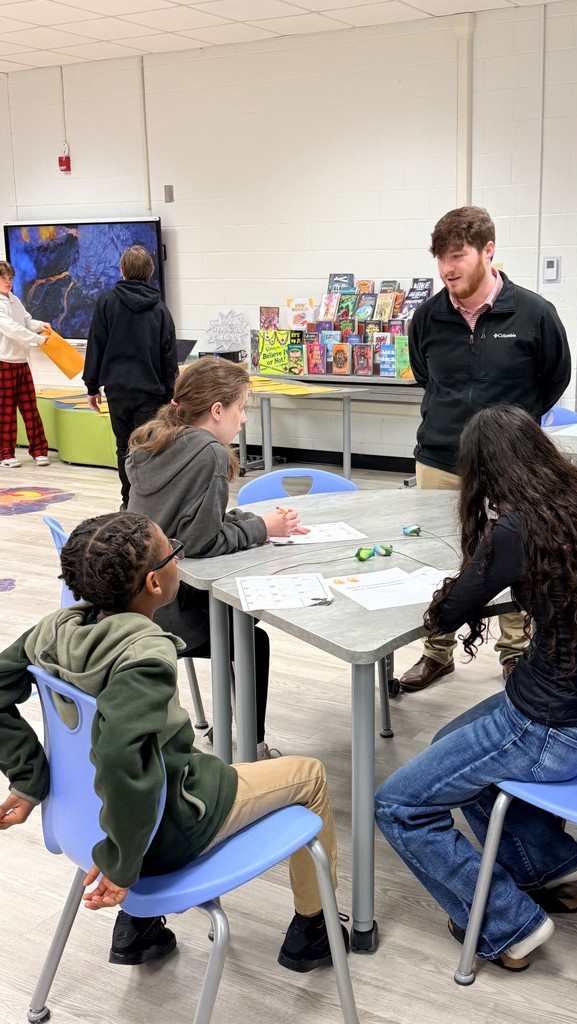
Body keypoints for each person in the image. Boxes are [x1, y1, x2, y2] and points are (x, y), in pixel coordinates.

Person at [0, 512, 344, 973]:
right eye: (173, 554)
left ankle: (138, 929)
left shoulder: (51, 631)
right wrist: (124, 864)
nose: (178, 559)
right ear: (155, 583)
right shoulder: (144, 655)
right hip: (168, 827)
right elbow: (121, 756)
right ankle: (314, 931)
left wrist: (28, 780)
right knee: (312, 776)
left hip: (83, 819)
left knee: (165, 759)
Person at [376, 405, 577, 972]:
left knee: (398, 805)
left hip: (549, 728)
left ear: (487, 474)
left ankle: (506, 923)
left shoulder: (517, 530)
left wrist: (469, 566)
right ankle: (549, 864)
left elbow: (449, 612)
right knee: (450, 740)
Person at [400, 206, 572, 692]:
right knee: (437, 556)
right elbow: (425, 377)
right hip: (441, 457)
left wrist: (514, 431)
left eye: (457, 256)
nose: (447, 268)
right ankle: (436, 649)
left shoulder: (534, 313)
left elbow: (554, 378)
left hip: (514, 464)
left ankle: (516, 653)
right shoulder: (428, 317)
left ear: (488, 251)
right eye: (440, 258)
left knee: (517, 556)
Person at [126, 357, 307, 759]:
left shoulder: (155, 440)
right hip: (167, 608)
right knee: (251, 634)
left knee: (244, 623)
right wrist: (263, 530)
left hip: (135, 594)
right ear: (217, 410)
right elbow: (201, 543)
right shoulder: (208, 453)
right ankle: (251, 749)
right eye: (241, 408)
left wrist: (251, 520)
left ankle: (229, 732)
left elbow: (182, 523)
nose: (243, 419)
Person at [84, 246, 178, 508]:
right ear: (150, 271)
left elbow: (96, 344)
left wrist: (92, 387)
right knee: (149, 449)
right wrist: (173, 396)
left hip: (118, 391)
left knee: (124, 447)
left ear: (122, 271)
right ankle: (149, 502)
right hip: (152, 393)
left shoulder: (106, 302)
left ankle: (128, 502)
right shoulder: (160, 309)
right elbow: (169, 356)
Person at [0, 260, 51, 469]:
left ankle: (39, 451)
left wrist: (39, 325)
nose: (8, 281)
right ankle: (5, 454)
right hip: (4, 363)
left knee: (31, 409)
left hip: (21, 362)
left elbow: (26, 321)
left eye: (10, 278)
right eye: (3, 278)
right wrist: (37, 339)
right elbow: (12, 328)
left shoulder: (14, 300)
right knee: (6, 412)